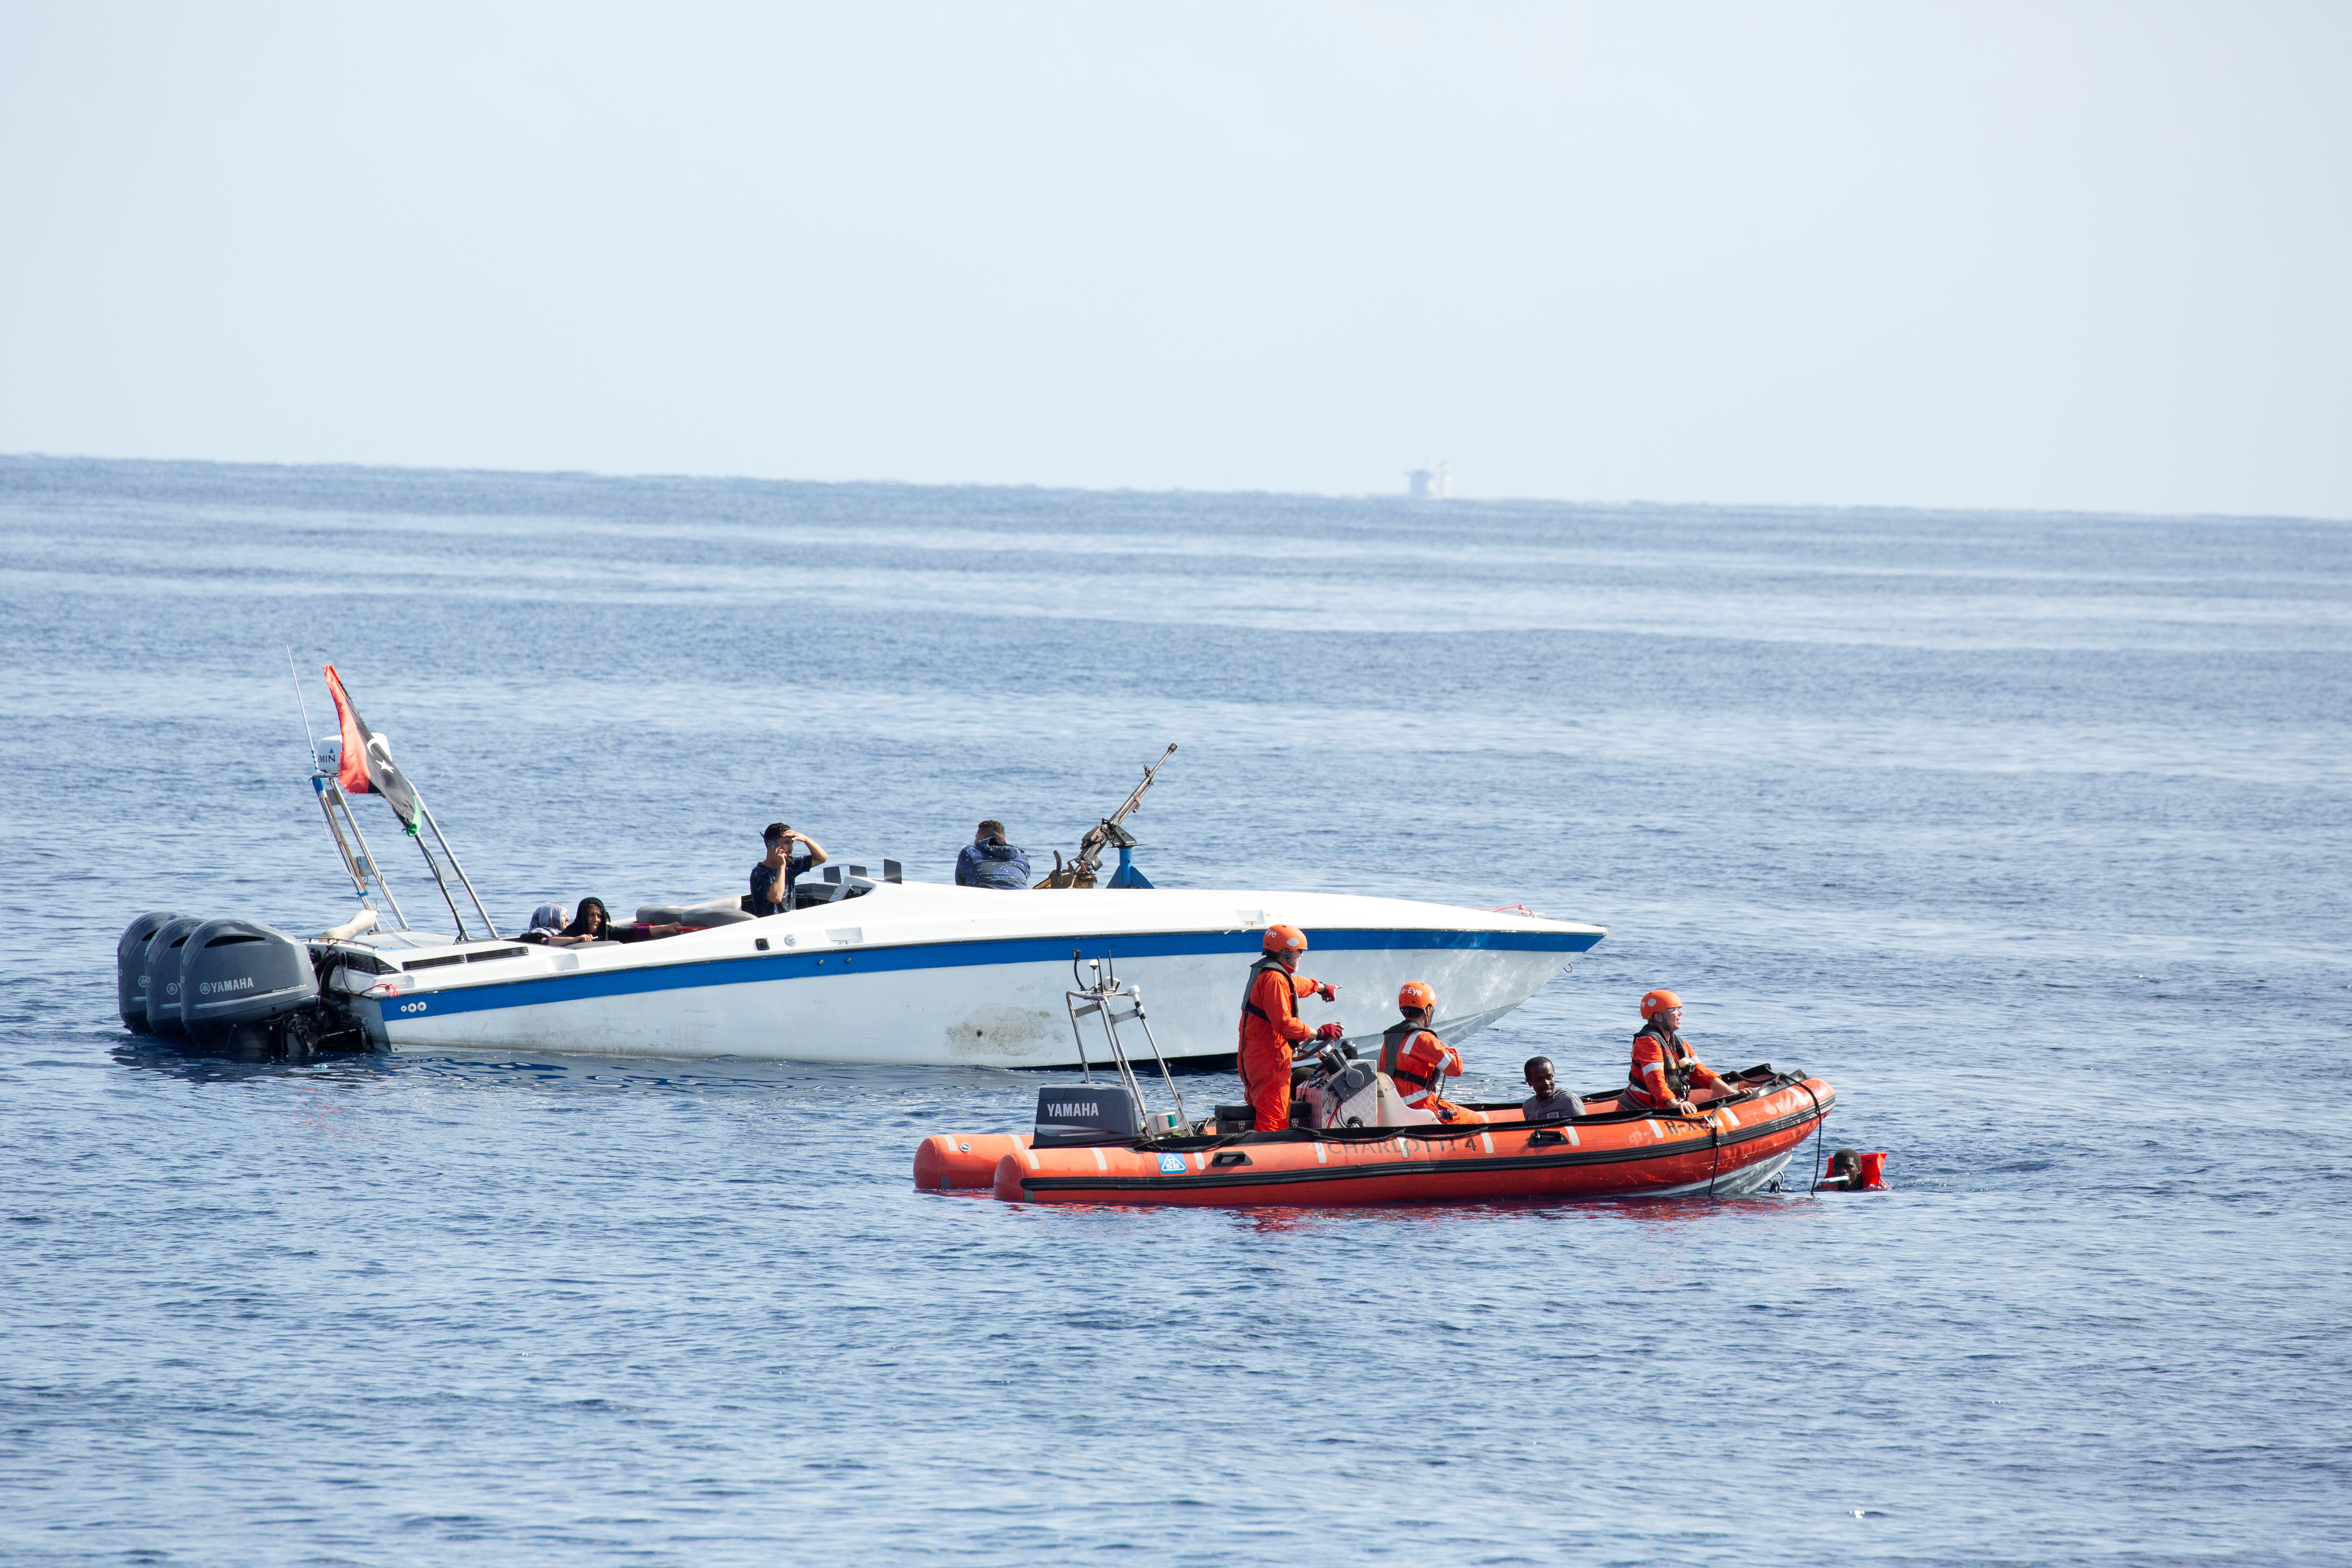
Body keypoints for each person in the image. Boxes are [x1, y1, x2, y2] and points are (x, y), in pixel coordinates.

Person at [1237, 923, 1344, 1133]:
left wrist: (1322, 987)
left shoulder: (1269, 973)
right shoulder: (1275, 979)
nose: (1302, 956)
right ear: (1286, 952)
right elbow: (1285, 1024)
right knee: (1274, 1124)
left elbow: (1295, 984)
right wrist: (1320, 1033)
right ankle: (1269, 1161)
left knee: (1263, 1110)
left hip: (1256, 1059)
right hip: (1271, 1062)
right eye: (1300, 952)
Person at [1377, 982, 1485, 1125]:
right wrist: (1446, 1048)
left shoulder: (1389, 1038)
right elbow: (1456, 1069)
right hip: (1420, 1107)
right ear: (1428, 1010)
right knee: (1478, 1120)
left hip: (1393, 1109)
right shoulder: (1423, 1038)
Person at [1623, 988, 1735, 1116]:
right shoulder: (1648, 1043)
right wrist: (1674, 1104)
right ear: (1658, 1017)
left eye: (1680, 1009)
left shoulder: (1679, 1044)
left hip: (1663, 1106)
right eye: (1674, 1010)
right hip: (1641, 1109)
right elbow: (1655, 1080)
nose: (1680, 1013)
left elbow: (1701, 1073)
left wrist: (1733, 1093)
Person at [749, 822, 829, 917]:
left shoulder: (791, 864)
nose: (792, 848)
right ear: (772, 845)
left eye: (792, 843)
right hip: (769, 927)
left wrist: (805, 839)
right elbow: (776, 898)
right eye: (787, 843)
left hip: (789, 923)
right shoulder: (759, 873)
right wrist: (781, 867)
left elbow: (822, 858)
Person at [552, 896, 687, 945]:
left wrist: (667, 927)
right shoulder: (574, 930)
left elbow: (634, 933)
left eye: (599, 916)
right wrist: (574, 940)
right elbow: (548, 941)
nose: (596, 920)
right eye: (591, 915)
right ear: (583, 916)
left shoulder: (607, 932)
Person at [955, 820, 1031, 889]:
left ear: (982, 838)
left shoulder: (970, 852)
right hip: (1020, 897)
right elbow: (1024, 879)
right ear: (1005, 841)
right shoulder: (1021, 856)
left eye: (976, 837)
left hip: (983, 898)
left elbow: (961, 885)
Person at [1521, 1056, 1585, 1121]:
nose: (1546, 1083)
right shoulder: (1528, 1106)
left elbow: (1583, 1127)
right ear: (1529, 1082)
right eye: (1540, 1080)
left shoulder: (1569, 1100)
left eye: (1550, 1077)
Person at [1814, 1149, 1888, 1191]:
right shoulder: (1824, 1186)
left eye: (1848, 1166)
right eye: (1837, 1167)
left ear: (1859, 1170)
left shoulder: (1877, 1187)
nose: (1842, 1171)